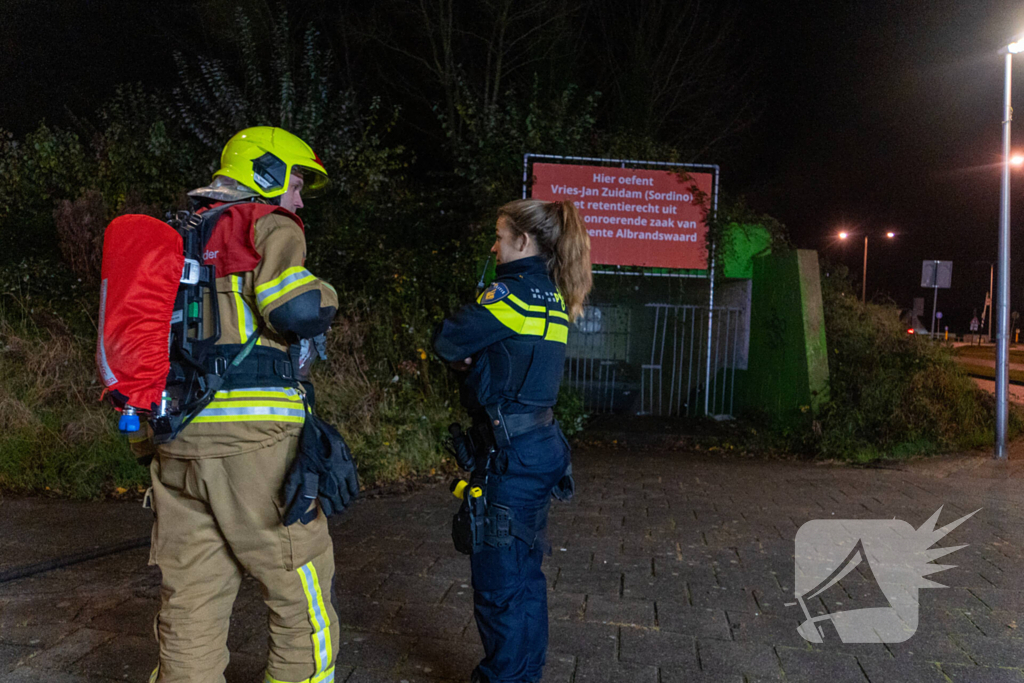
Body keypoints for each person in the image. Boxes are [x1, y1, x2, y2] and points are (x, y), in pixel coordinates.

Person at [135, 127, 344, 683]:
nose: (299, 198)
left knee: (191, 601)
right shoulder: (265, 223)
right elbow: (293, 308)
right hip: (252, 444)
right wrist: (329, 293)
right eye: (296, 182)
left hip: (175, 437)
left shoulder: (173, 235)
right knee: (300, 587)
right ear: (267, 172)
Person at [432, 199, 592, 683]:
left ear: (523, 242)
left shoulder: (508, 295)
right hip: (539, 448)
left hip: (509, 457)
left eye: (500, 237)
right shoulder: (554, 298)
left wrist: (467, 359)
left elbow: (447, 339)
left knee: (500, 587)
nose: (495, 246)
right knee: (526, 578)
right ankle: (524, 675)